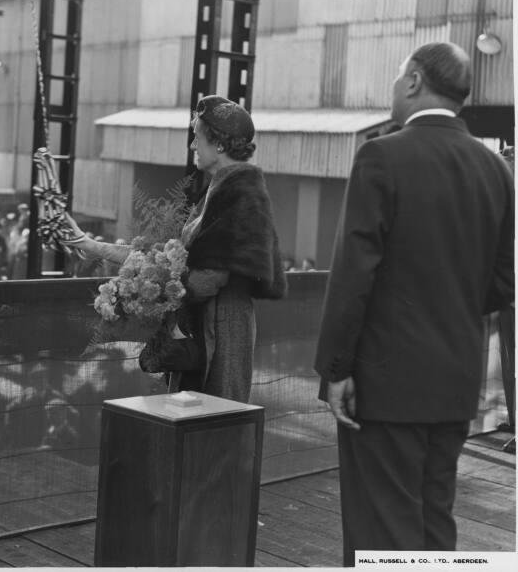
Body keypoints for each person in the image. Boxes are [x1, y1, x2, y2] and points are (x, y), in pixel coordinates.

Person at [313, 42, 514, 565]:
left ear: (414, 81)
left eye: (399, 74)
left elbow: (354, 273)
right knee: (433, 521)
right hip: (454, 385)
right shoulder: (497, 170)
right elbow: (503, 283)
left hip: (385, 385)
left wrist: (337, 368)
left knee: (381, 528)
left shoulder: (382, 155)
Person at [64, 95, 287, 403]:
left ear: (219, 145)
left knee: (213, 423)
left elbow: (207, 278)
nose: (193, 146)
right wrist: (93, 247)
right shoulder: (219, 190)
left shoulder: (241, 196)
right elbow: (169, 260)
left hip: (220, 333)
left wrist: (148, 294)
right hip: (202, 328)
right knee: (193, 422)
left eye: (197, 137)